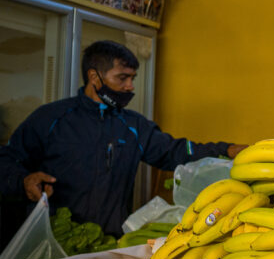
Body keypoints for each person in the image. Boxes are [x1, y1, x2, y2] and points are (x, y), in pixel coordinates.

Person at [0, 41, 245, 237]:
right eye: (122, 78)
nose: (129, 86)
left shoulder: (134, 126)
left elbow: (177, 151)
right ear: (94, 77)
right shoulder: (51, 119)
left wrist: (226, 149)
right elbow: (6, 161)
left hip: (107, 243)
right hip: (53, 240)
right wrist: (23, 181)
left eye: (132, 78)